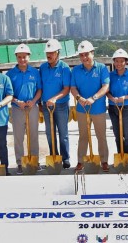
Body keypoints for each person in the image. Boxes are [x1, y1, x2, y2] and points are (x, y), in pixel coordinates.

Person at [71, 40, 110, 172]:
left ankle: (104, 160)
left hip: (98, 108)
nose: (84, 58)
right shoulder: (76, 70)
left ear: (92, 53)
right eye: (81, 55)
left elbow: (105, 87)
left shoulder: (102, 68)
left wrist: (94, 98)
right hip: (82, 109)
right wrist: (78, 98)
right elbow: (73, 88)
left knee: (101, 136)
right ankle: (80, 161)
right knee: (83, 136)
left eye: (86, 54)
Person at [7, 43, 42, 175]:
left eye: (24, 57)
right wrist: (17, 101)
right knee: (18, 137)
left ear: (29, 57)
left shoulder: (35, 72)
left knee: (33, 136)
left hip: (32, 107)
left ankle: (34, 160)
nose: (22, 59)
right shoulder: (10, 74)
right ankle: (20, 163)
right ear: (16, 57)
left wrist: (33, 101)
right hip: (17, 108)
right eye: (19, 57)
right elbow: (8, 93)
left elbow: (39, 89)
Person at [40, 39, 72, 169]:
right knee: (49, 133)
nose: (49, 55)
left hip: (61, 105)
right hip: (46, 106)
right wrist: (39, 103)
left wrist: (54, 98)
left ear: (57, 53)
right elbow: (40, 87)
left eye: (51, 52)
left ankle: (65, 158)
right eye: (47, 52)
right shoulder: (42, 68)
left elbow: (66, 89)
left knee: (63, 133)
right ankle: (54, 156)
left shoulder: (64, 68)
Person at [106, 48, 128, 156]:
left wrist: (125, 97)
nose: (119, 63)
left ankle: (126, 155)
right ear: (113, 62)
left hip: (127, 108)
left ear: (126, 62)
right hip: (113, 107)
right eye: (116, 61)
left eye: (121, 61)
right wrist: (111, 98)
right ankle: (120, 154)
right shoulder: (110, 75)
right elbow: (106, 91)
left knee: (127, 134)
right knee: (117, 134)